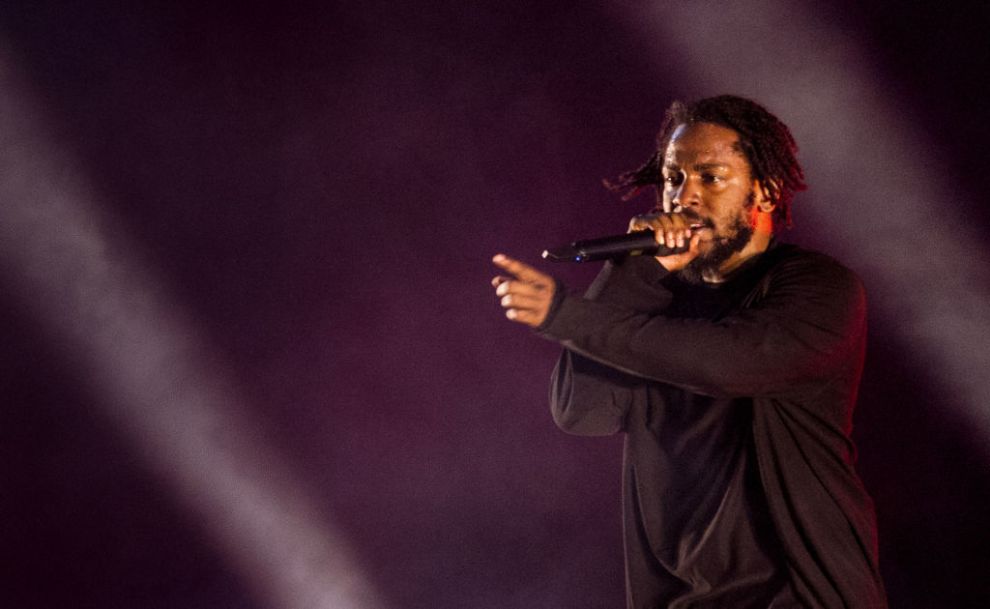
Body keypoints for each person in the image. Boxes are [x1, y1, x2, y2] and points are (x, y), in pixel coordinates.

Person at [491, 95, 887, 608]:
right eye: (675, 178)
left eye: (710, 177)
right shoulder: (656, 300)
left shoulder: (817, 288)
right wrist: (634, 269)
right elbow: (582, 411)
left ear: (763, 193)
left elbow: (732, 361)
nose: (684, 197)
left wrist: (566, 315)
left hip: (796, 595)